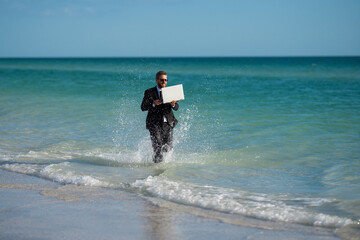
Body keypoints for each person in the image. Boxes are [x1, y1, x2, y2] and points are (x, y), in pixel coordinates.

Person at [141, 71, 179, 163]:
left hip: (168, 123)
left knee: (168, 148)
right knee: (157, 147)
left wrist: (173, 104)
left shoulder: (170, 91)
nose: (164, 82)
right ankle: (157, 169)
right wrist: (153, 103)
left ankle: (163, 167)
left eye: (166, 80)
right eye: (162, 80)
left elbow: (176, 107)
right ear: (156, 80)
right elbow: (143, 107)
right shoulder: (149, 92)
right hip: (154, 124)